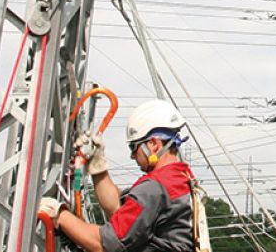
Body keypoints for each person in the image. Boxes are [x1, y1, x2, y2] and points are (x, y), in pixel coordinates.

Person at [38, 100, 195, 252]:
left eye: (134, 147)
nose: (133, 156)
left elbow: (104, 245)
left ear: (153, 144)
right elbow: (120, 211)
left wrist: (59, 215)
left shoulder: (155, 187)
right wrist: (98, 167)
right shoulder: (179, 178)